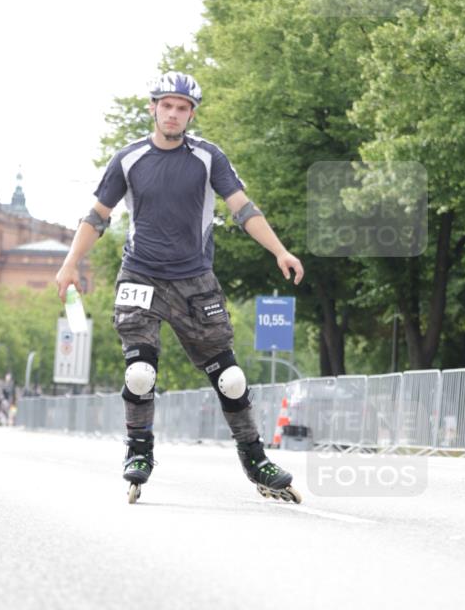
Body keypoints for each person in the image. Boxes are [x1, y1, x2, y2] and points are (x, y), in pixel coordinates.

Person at [55, 71, 304, 501]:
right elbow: (97, 215)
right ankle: (138, 452)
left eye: (182, 108)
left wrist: (280, 251)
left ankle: (256, 460)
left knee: (231, 380)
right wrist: (70, 263)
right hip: (140, 276)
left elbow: (243, 209)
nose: (173, 113)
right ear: (153, 108)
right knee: (140, 372)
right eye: (166, 105)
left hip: (195, 281)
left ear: (192, 114)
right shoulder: (128, 159)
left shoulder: (208, 157)